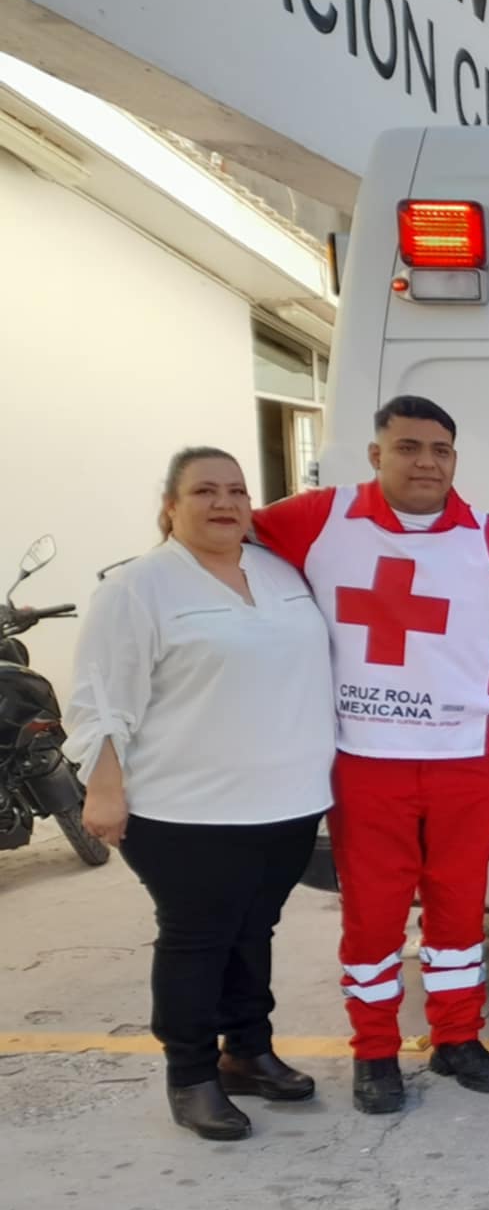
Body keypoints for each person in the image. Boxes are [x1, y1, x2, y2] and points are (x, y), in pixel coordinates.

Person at [253, 396, 489, 1116]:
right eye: (408, 447)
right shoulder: (318, 519)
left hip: (465, 759)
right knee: (373, 918)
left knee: (459, 911)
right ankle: (374, 1052)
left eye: (440, 449)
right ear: (376, 454)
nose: (426, 462)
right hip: (364, 758)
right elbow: (224, 539)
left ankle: (457, 1039)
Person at [65, 448, 335, 1141]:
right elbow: (100, 699)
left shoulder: (280, 574)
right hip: (184, 807)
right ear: (171, 507)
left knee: (254, 930)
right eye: (205, 491)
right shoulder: (140, 588)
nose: (224, 503)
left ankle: (247, 1051)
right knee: (196, 939)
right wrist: (104, 789)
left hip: (286, 800)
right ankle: (191, 1076)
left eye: (237, 491)